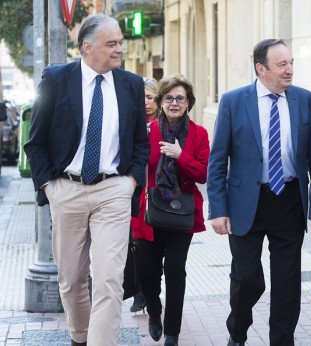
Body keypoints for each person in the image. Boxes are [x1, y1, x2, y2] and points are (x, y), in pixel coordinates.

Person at [24, 14, 149, 346]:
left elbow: (140, 143)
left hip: (113, 189)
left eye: (121, 42)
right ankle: (80, 338)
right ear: (87, 47)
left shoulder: (132, 85)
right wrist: (50, 188)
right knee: (71, 280)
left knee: (109, 280)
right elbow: (34, 143)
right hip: (67, 189)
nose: (120, 49)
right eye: (112, 44)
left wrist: (131, 182)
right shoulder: (55, 79)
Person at [207, 39, 311, 346]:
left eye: (291, 63)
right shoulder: (234, 101)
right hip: (246, 202)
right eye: (282, 65)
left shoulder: (304, 100)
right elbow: (218, 159)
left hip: (289, 199)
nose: (290, 70)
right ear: (261, 69)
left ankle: (282, 340)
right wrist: (218, 209)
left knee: (287, 281)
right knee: (246, 276)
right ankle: (237, 333)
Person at [130, 74, 210, 346]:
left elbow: (203, 173)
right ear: (161, 101)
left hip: (181, 212)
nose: (174, 103)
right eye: (168, 98)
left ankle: (172, 333)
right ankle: (154, 311)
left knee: (176, 269)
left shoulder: (199, 134)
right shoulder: (148, 131)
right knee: (149, 271)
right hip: (149, 213)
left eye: (180, 98)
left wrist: (180, 155)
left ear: (188, 103)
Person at [130, 76, 161, 314]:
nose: (145, 103)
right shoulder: (130, 123)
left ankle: (152, 293)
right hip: (134, 192)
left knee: (157, 247)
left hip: (158, 194)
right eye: (141, 99)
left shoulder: (166, 125)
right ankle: (140, 292)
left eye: (150, 98)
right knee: (137, 246)